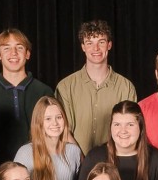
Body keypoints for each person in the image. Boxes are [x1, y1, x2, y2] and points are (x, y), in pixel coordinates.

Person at [0, 28, 55, 161]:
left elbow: (53, 135)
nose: (14, 53)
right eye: (6, 48)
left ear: (27, 54)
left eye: (19, 47)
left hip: (39, 166)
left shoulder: (44, 92)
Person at [55, 19, 137, 152]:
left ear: (109, 45)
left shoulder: (126, 87)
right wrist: (81, 160)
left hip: (114, 163)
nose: (96, 48)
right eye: (89, 43)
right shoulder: (65, 87)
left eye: (101, 42)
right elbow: (62, 129)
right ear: (83, 47)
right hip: (76, 164)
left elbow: (130, 129)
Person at [15, 95, 82, 180]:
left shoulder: (74, 151)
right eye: (48, 119)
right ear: (39, 122)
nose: (55, 123)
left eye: (59, 117)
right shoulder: (25, 153)